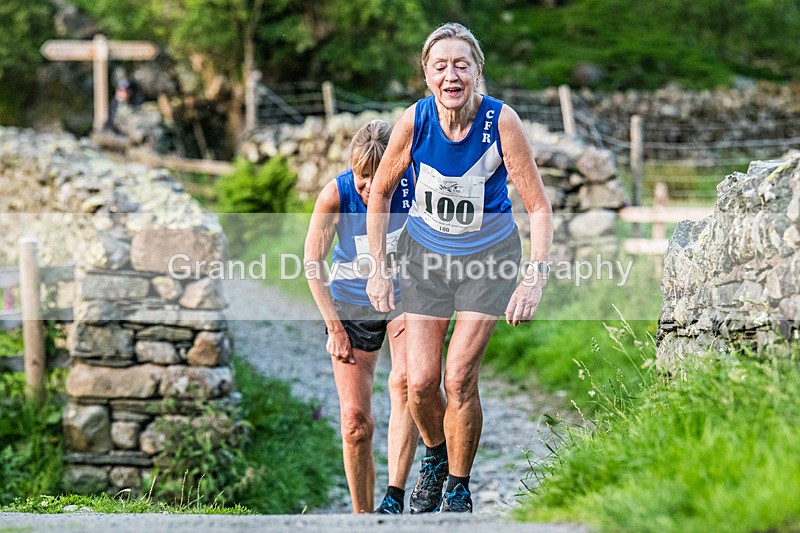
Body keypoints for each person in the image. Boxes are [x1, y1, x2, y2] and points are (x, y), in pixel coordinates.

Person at [366, 23, 553, 513]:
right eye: (441, 66)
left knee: (459, 377)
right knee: (420, 383)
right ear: (427, 75)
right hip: (424, 260)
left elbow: (537, 206)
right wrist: (379, 268)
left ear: (477, 72)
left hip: (488, 262)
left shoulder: (501, 122)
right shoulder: (414, 122)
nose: (452, 75)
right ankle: (435, 454)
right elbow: (381, 191)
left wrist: (533, 278)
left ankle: (459, 486)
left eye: (461, 65)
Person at [304, 119, 420, 514]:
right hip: (350, 304)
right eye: (362, 175)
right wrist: (333, 326)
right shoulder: (335, 195)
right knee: (355, 423)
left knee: (406, 382)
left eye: (378, 174)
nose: (370, 185)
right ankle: (362, 518)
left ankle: (395, 495)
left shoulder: (417, 182)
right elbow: (312, 263)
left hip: (408, 297)